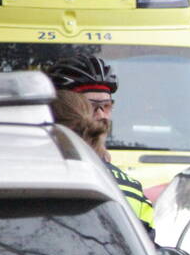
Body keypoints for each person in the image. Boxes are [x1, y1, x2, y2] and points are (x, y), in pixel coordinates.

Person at [46, 56, 155, 237]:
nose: (102, 115)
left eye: (106, 106)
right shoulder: (33, 175)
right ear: (62, 110)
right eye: (91, 106)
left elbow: (146, 248)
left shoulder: (129, 187)